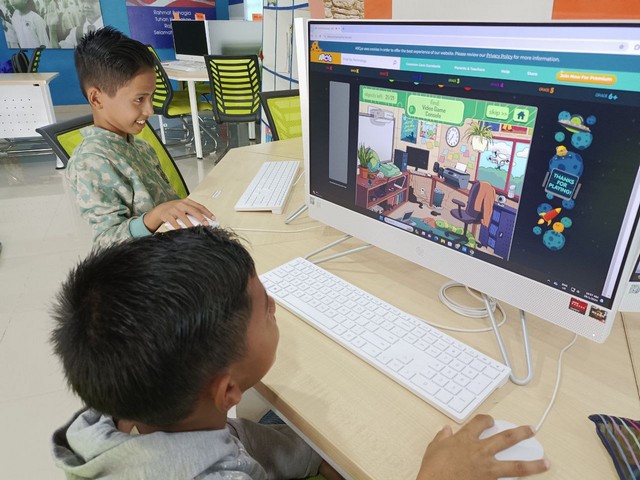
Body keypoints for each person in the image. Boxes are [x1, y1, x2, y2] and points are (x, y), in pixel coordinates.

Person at [50, 227, 551, 480]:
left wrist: (314, 453)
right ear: (228, 391)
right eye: (266, 307)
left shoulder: (124, 414)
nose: (275, 304)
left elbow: (243, 439)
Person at [66, 27, 214, 247]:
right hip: (150, 260)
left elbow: (169, 203)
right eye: (139, 99)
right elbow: (107, 242)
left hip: (178, 244)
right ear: (96, 99)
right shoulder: (91, 161)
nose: (150, 110)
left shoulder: (141, 147)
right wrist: (154, 217)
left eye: (151, 97)